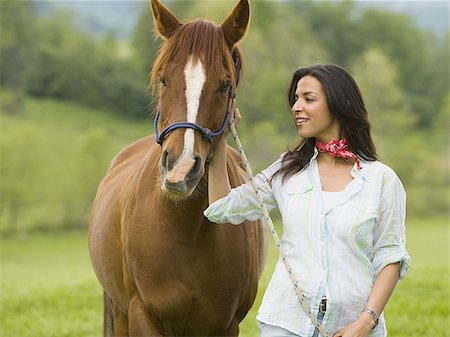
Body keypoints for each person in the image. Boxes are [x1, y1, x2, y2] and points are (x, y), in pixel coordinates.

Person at [204, 64, 410, 337]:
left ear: (339, 104)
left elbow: (390, 258)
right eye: (295, 99)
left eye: (308, 99)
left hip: (356, 328)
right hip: (285, 323)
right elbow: (221, 207)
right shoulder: (286, 171)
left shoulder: (382, 180)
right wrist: (220, 140)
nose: (296, 107)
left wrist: (365, 322)